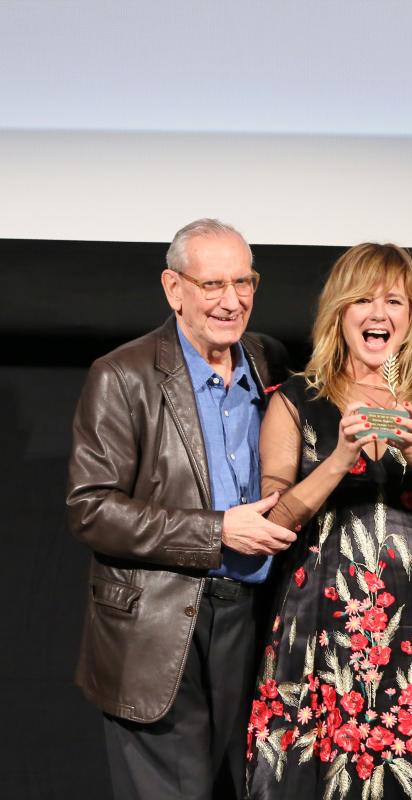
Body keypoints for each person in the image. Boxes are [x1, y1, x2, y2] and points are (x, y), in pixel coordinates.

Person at [245, 243, 412, 800]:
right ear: (340, 312)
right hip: (319, 635)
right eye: (363, 299)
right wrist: (338, 459)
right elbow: (273, 521)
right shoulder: (295, 400)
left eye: (394, 301)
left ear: (411, 317)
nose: (379, 314)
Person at [66, 219, 296, 800]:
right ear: (174, 289)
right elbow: (91, 509)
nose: (232, 300)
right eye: (212, 283)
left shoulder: (269, 361)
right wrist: (217, 531)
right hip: (158, 627)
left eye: (244, 282)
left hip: (252, 621)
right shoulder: (122, 375)